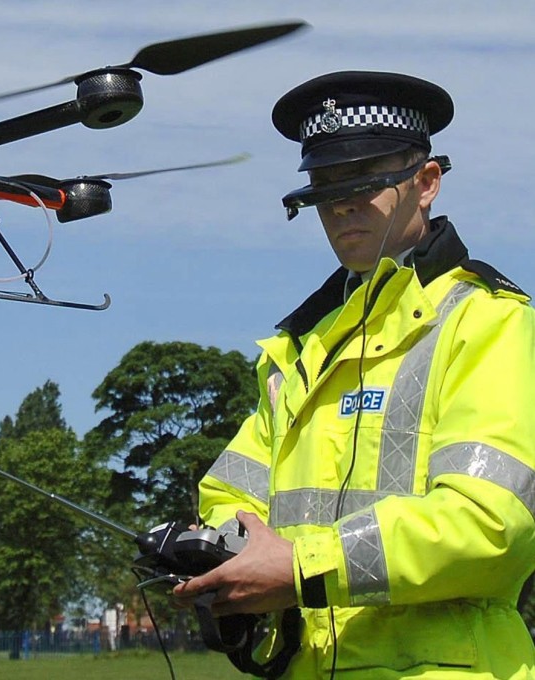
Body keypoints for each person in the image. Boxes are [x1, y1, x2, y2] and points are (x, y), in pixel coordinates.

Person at [171, 71, 535, 678]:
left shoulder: (488, 321)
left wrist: (300, 568)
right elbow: (232, 497)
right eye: (323, 187)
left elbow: (489, 525)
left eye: (365, 181)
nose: (341, 205)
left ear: (426, 183)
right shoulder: (300, 347)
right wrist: (213, 549)